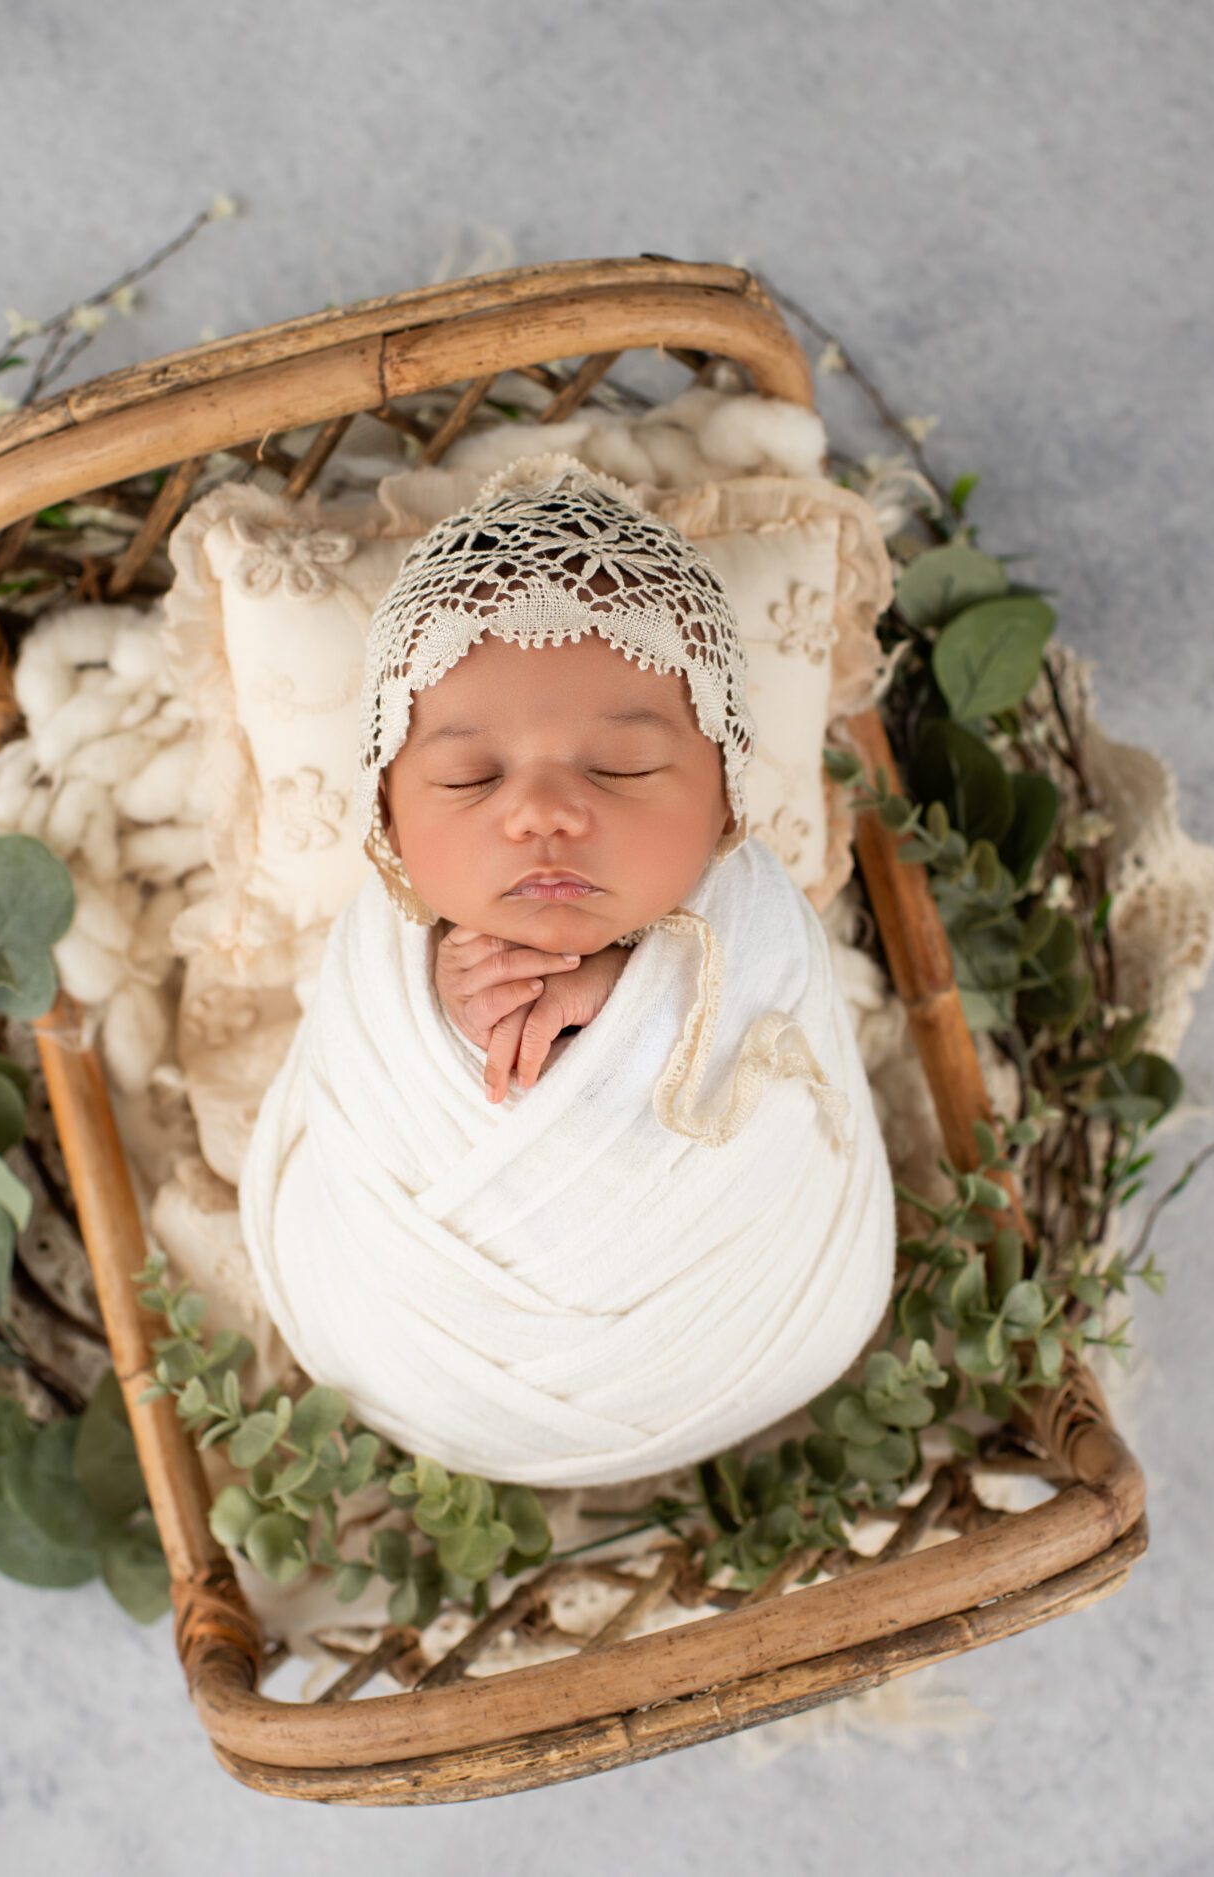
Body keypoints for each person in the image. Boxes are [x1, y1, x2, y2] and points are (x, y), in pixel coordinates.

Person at [235, 453, 895, 1489]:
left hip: (754, 1322)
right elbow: (367, 1075)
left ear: (725, 799)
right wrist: (453, 1012)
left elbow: (776, 1042)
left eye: (620, 767)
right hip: (415, 1348)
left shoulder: (751, 912)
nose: (540, 810)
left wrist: (644, 1000)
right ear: (388, 826)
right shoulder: (384, 949)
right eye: (468, 775)